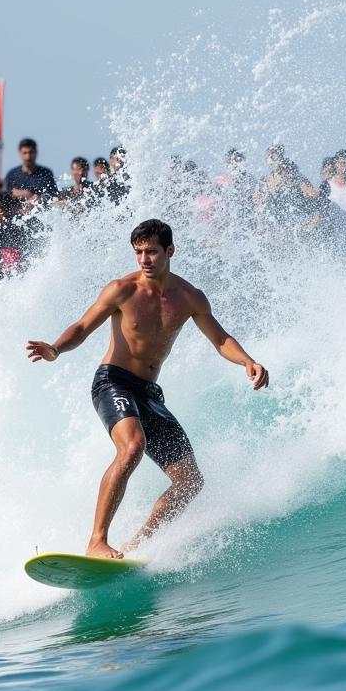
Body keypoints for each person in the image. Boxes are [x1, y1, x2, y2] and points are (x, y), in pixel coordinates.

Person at [26, 218, 269, 559]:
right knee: (132, 447)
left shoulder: (189, 297)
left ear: (170, 251)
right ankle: (97, 540)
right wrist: (55, 348)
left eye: (152, 251)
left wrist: (246, 361)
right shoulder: (122, 289)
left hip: (148, 393)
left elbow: (221, 339)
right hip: (112, 381)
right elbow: (82, 326)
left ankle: (136, 545)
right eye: (138, 252)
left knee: (190, 481)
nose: (144, 259)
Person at [5, 138, 58, 202]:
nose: (28, 157)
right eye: (25, 153)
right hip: (18, 209)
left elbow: (53, 195)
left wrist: (39, 198)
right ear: (20, 153)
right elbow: (6, 194)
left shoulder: (46, 173)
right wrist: (22, 193)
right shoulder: (12, 174)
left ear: (36, 153)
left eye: (31, 152)